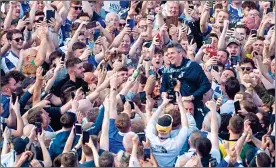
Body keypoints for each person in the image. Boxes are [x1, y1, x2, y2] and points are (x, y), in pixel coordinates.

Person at [161, 43, 211, 128]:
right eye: (168, 54)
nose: (169, 56)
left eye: (172, 53)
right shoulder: (167, 70)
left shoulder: (193, 66)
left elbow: (206, 85)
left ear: (180, 53)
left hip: (193, 108)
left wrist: (191, 96)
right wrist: (164, 95)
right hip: (175, 110)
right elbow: (163, 89)